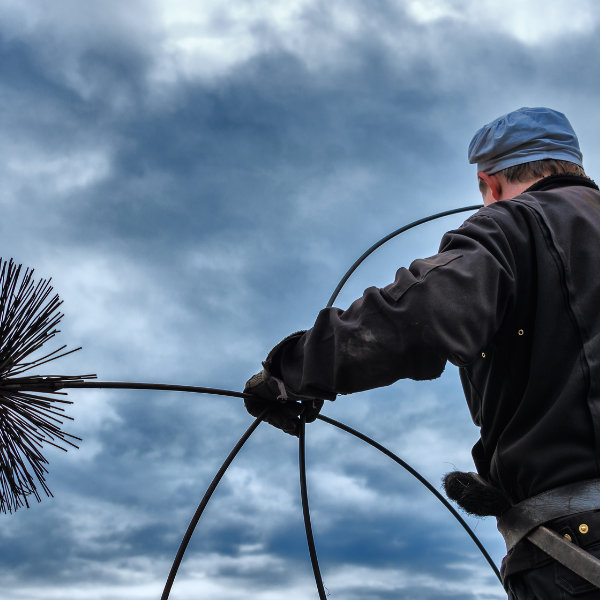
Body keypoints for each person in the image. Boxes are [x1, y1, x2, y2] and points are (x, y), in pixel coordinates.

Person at [244, 107, 600, 599]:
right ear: (573, 165)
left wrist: (292, 370)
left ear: (489, 183)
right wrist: (512, 490)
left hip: (580, 551)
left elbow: (422, 314)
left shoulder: (515, 225)